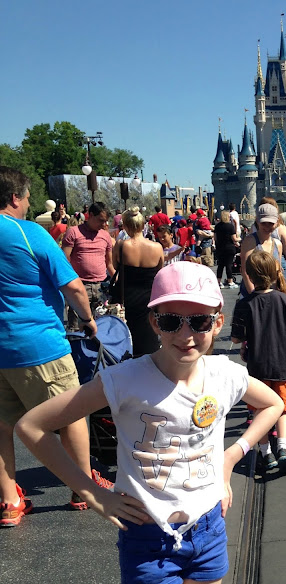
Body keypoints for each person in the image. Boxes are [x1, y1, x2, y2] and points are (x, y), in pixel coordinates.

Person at [16, 262, 284, 583]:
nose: (186, 335)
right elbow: (31, 426)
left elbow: (274, 404)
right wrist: (91, 492)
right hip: (147, 535)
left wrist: (230, 457)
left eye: (199, 321)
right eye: (172, 321)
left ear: (217, 323)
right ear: (155, 322)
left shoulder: (225, 375)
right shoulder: (124, 380)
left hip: (209, 525)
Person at [0, 166, 111, 526]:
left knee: (2, 426)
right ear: (15, 197)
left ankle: (9, 501)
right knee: (71, 414)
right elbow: (73, 286)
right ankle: (82, 489)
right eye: (27, 198)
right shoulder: (29, 232)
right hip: (39, 343)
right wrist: (89, 320)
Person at [231, 251, 286, 474]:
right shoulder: (284, 299)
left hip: (257, 367)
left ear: (249, 276)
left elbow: (235, 337)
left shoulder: (246, 303)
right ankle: (283, 448)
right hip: (282, 364)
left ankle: (266, 452)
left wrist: (245, 342)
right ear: (274, 273)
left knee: (260, 411)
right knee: (281, 409)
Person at [112, 207, 164, 355]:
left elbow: (115, 266)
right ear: (143, 226)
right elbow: (160, 272)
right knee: (148, 333)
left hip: (126, 296)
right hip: (149, 296)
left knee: (128, 333)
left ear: (126, 226)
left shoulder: (121, 245)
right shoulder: (157, 247)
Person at [62, 201, 116, 330]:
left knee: (101, 326)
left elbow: (109, 263)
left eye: (106, 221)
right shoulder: (73, 232)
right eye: (100, 220)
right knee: (76, 326)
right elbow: (63, 261)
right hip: (80, 286)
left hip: (101, 287)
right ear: (90, 215)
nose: (103, 225)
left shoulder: (105, 236)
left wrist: (117, 281)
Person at [240, 204, 283, 295]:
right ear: (257, 221)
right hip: (251, 294)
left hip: (271, 294)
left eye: (271, 223)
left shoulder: (278, 244)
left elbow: (277, 272)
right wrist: (254, 295)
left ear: (277, 222)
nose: (267, 227)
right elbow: (245, 271)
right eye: (264, 223)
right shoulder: (250, 241)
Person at [214, 210, 240, 288]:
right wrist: (240, 239)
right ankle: (230, 281)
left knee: (220, 265)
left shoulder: (217, 226)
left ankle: (218, 281)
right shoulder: (230, 226)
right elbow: (234, 239)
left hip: (220, 248)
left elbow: (215, 238)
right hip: (229, 248)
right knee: (229, 265)